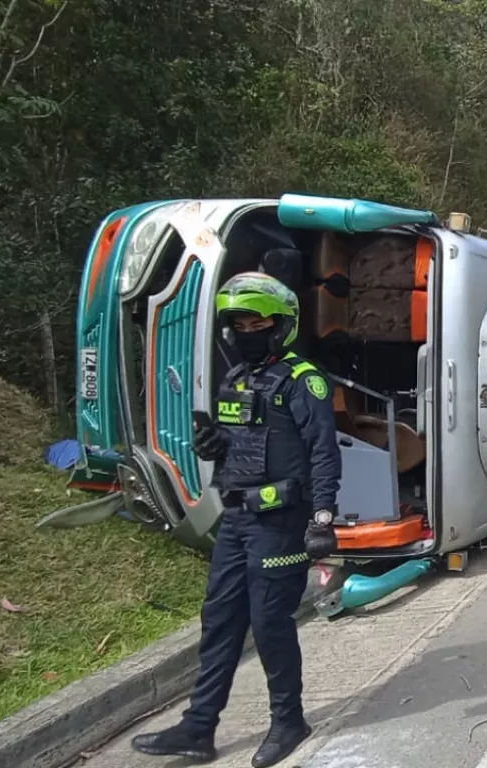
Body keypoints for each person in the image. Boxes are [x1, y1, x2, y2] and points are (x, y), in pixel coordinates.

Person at [131, 272, 342, 768]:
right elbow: (247, 443)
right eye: (239, 322)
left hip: (281, 521)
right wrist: (216, 445)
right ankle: (199, 727)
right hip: (237, 520)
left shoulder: (302, 380)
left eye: (257, 321)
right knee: (220, 620)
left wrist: (322, 517)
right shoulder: (236, 379)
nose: (246, 330)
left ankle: (288, 720)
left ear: (280, 325)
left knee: (270, 623)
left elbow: (324, 455)